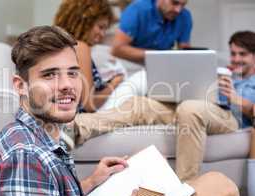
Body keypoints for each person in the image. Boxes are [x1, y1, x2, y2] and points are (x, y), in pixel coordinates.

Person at [0, 25, 239, 196]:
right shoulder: (25, 156)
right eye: (50, 75)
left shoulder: (38, 137)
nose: (66, 85)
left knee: (216, 180)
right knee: (222, 189)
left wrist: (92, 181)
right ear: (20, 86)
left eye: (72, 73)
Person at [75, 30, 255, 181]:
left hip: (230, 117)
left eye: (243, 54)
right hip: (197, 106)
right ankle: (76, 128)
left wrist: (235, 98)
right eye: (233, 53)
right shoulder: (224, 73)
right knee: (140, 104)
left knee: (190, 108)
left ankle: (187, 188)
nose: (236, 59)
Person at [54, 0, 147, 112]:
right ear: (85, 21)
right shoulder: (80, 47)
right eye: (100, 27)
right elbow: (90, 103)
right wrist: (114, 83)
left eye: (105, 29)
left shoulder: (59, 45)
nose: (102, 34)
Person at [111, 0, 192, 63]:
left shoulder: (184, 16)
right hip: (131, 63)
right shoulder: (138, 10)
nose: (178, 10)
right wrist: (158, 55)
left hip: (160, 63)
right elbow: (117, 49)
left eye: (183, 5)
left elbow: (185, 52)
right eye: (174, 2)